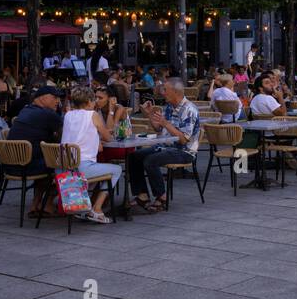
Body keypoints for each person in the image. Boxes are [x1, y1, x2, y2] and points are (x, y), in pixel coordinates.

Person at [127, 78, 201, 212]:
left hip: (184, 151)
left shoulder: (189, 109)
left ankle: (162, 197)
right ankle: (142, 195)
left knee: (151, 160)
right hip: (166, 147)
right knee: (134, 156)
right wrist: (150, 115)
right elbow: (159, 129)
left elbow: (184, 140)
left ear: (175, 92)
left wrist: (166, 123)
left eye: (165, 90)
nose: (162, 93)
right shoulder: (169, 107)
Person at [61, 87, 122, 223]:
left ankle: (83, 208)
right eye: (94, 99)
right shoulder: (92, 115)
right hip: (81, 168)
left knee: (98, 170)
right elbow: (108, 138)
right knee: (116, 170)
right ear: (89, 102)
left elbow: (78, 136)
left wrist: (95, 141)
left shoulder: (68, 115)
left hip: (64, 168)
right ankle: (97, 208)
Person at [6, 83, 64, 213]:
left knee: (45, 160)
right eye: (54, 98)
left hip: (10, 164)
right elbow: (66, 135)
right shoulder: (47, 114)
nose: (58, 101)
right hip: (27, 165)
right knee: (64, 165)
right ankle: (47, 204)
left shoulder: (26, 109)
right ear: (43, 98)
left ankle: (35, 204)